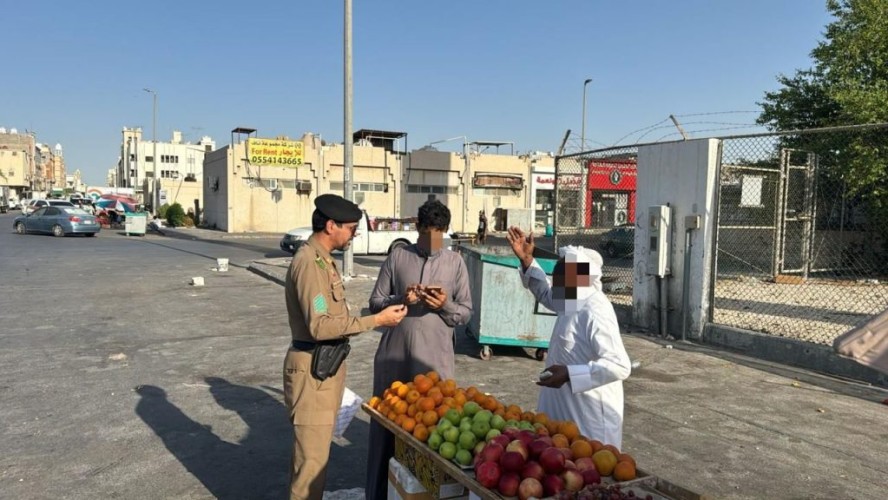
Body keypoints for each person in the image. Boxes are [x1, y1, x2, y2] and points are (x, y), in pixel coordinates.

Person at [283, 194, 408, 500]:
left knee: (316, 462)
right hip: (313, 373)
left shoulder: (322, 260)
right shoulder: (310, 264)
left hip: (324, 370)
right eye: (351, 228)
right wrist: (376, 320)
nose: (354, 234)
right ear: (330, 225)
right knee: (309, 469)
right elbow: (321, 326)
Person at [365, 200, 473, 500]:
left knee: (434, 435)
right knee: (385, 431)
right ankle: (375, 494)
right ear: (417, 229)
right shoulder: (398, 257)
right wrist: (403, 298)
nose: (432, 240)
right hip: (394, 359)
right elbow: (375, 302)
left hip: (434, 362)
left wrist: (444, 306)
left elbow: (465, 313)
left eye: (438, 234)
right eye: (426, 233)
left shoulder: (455, 264)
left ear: (446, 232)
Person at [506, 226, 632, 448]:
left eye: (561, 274)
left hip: (589, 420)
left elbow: (619, 365)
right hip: (563, 413)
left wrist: (570, 374)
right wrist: (527, 259)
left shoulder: (595, 309)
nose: (555, 279)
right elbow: (545, 293)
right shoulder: (572, 298)